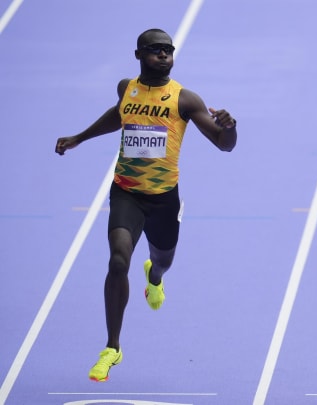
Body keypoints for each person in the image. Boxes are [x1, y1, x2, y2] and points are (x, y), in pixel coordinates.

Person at [55, 28, 237, 382]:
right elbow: (119, 114)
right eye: (155, 51)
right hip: (126, 192)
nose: (164, 56)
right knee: (118, 259)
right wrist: (80, 137)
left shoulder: (185, 100)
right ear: (138, 55)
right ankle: (112, 347)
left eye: (168, 50)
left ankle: (154, 278)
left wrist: (229, 127)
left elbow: (224, 144)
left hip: (164, 200)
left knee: (163, 261)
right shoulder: (127, 88)